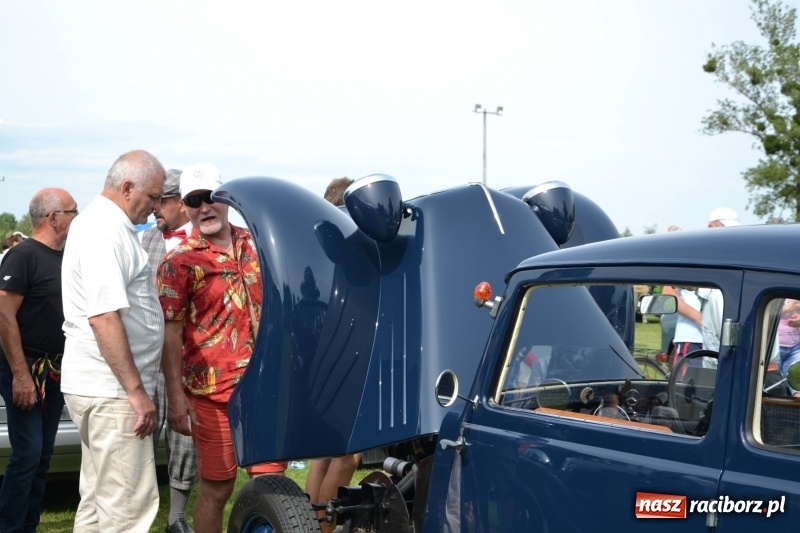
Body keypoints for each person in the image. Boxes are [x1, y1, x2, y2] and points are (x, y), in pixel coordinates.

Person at [157, 164, 287, 533]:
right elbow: (170, 335)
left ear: (227, 199)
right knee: (217, 487)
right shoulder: (177, 262)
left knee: (271, 482)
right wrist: (176, 398)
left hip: (264, 386)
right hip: (212, 395)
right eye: (194, 201)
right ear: (184, 207)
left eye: (212, 197)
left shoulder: (260, 243)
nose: (205, 207)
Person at [60, 149, 167, 532]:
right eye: (153, 196)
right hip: (114, 393)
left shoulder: (105, 226)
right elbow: (104, 317)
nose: (156, 207)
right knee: (126, 511)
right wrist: (136, 392)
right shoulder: (104, 231)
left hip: (103, 389)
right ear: (127, 188)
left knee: (98, 501)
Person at [0, 188, 77, 533]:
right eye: (73, 211)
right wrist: (20, 375)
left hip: (55, 370)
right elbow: (3, 314)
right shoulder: (22, 256)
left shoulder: (67, 256)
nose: (78, 217)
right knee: (27, 454)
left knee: (42, 456)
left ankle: (26, 525)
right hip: (25, 368)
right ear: (53, 217)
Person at [140, 169, 198, 533]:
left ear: (181, 202)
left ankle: (176, 517)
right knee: (142, 431)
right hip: (145, 354)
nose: (154, 209)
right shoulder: (142, 241)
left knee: (184, 436)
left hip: (187, 355)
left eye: (161, 201)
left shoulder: (204, 243)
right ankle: (138, 513)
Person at [306, 177, 362, 533]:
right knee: (347, 455)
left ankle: (307, 525)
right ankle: (324, 529)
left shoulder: (320, 249)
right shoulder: (349, 253)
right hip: (345, 359)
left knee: (325, 453)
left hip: (322, 361)